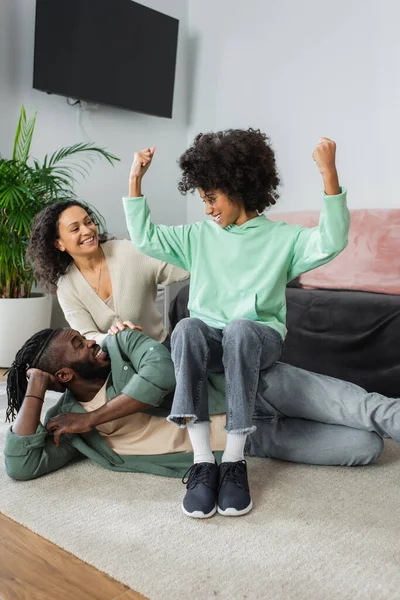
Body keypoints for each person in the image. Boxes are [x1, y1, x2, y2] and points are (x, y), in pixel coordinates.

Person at [122, 129, 350, 517]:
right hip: (210, 341)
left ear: (237, 186)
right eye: (203, 199)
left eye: (211, 198)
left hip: (258, 339)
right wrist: (135, 179)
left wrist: (329, 174)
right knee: (188, 327)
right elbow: (144, 238)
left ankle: (234, 461)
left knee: (242, 328)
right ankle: (202, 463)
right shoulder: (199, 236)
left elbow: (331, 241)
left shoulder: (283, 238)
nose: (208, 208)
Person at [4, 328, 399, 515]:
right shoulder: (70, 427)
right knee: (365, 448)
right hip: (260, 440)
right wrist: (36, 389)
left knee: (371, 410)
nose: (90, 341)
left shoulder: (122, 347)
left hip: (259, 389)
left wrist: (94, 419)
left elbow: (163, 375)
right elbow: (21, 465)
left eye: (81, 337)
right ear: (66, 377)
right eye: (78, 345)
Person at [27, 200, 188, 346]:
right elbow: (87, 335)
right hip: (113, 362)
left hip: (158, 351)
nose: (87, 230)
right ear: (59, 244)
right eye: (75, 229)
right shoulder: (67, 287)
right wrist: (112, 337)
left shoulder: (128, 252)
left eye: (88, 222)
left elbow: (182, 265)